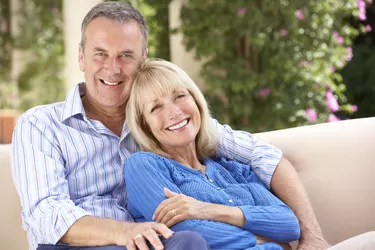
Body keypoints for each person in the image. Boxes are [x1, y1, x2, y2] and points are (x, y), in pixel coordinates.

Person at [11, 1, 330, 250]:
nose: (113, 67)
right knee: (188, 243)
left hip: (158, 243)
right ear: (81, 57)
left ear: (144, 58)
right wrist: (127, 232)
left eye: (126, 55)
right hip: (78, 246)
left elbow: (266, 158)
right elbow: (48, 214)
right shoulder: (40, 124)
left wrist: (312, 238)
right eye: (100, 54)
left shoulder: (164, 124)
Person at [124, 59, 301, 250]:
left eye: (180, 96)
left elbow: (289, 224)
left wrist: (207, 210)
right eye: (155, 107)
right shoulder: (143, 166)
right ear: (145, 126)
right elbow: (185, 232)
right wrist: (264, 238)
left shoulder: (233, 168)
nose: (174, 112)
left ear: (196, 101)